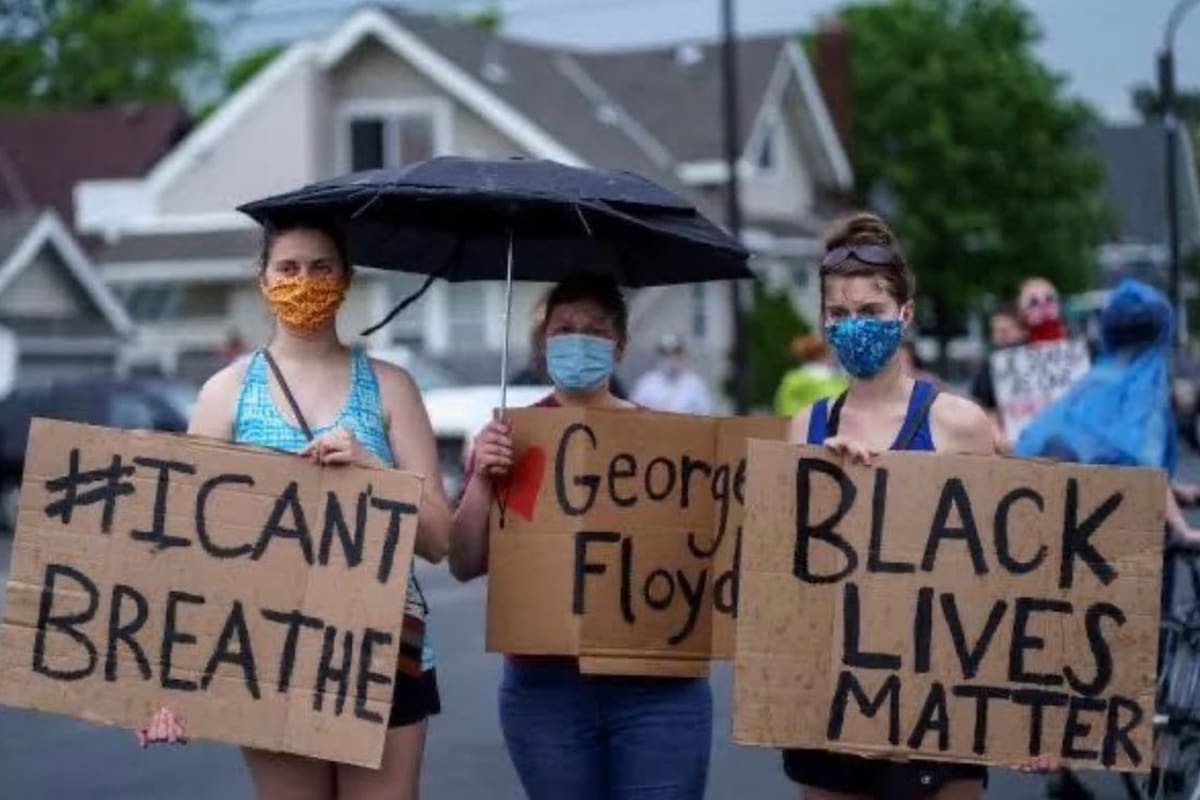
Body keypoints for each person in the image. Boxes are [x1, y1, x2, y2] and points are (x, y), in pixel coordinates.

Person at [136, 220, 452, 800]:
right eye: (288, 268)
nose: (303, 281)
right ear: (262, 282)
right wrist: (169, 683)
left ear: (346, 280)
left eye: (321, 267)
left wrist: (371, 470)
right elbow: (184, 553)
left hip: (382, 644)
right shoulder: (225, 393)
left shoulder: (391, 387)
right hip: (267, 645)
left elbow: (438, 539)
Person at [450, 274, 712, 800]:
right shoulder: (512, 441)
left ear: (618, 348)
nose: (578, 340)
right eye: (564, 329)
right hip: (547, 690)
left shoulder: (667, 442)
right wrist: (482, 476)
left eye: (593, 331)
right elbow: (465, 560)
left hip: (656, 685)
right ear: (543, 346)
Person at [783, 212, 997, 800]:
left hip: (939, 703)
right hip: (832, 700)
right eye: (840, 315)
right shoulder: (806, 426)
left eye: (871, 313)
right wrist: (824, 479)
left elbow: (1006, 579)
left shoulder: (961, 425)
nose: (855, 327)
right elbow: (782, 568)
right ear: (823, 322)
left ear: (904, 314)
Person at [969, 304, 1027, 449]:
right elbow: (980, 405)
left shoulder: (1038, 361)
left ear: (1022, 332)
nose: (1000, 336)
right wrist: (997, 432)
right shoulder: (987, 368)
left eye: (1006, 331)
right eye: (996, 331)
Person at [631, 334, 713, 414]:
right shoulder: (646, 383)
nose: (671, 358)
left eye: (676, 353)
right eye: (666, 354)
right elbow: (634, 412)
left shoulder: (695, 384)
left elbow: (705, 413)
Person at [773, 333, 848, 416]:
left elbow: (784, 407)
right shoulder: (838, 381)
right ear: (824, 354)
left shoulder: (793, 379)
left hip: (802, 425)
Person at [1017, 276, 1067, 343]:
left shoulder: (1078, 341)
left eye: (1049, 299)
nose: (1044, 306)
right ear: (1023, 314)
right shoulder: (1016, 349)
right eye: (1034, 303)